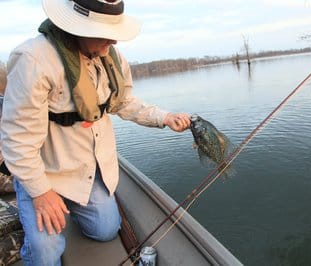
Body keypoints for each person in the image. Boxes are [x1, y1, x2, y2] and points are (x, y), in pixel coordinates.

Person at [0, 0, 191, 265]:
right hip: (45, 172)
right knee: (45, 254)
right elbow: (16, 141)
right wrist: (42, 193)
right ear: (77, 27)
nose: (114, 41)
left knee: (106, 230)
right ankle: (32, 215)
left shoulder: (111, 57)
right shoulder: (33, 59)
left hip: (87, 172)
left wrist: (165, 117)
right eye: (105, 32)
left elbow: (125, 103)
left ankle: (67, 210)